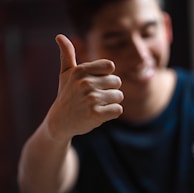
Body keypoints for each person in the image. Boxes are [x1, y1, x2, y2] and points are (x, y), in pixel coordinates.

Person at [18, 0, 194, 192]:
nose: (140, 54)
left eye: (148, 33)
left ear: (167, 28)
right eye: (117, 43)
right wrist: (56, 130)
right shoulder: (78, 117)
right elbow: (36, 187)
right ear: (82, 48)